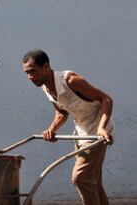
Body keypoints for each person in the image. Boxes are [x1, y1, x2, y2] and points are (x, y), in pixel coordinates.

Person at [22, 49, 113, 205]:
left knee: (81, 178)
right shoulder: (46, 87)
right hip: (81, 133)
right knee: (93, 182)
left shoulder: (70, 81)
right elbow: (61, 112)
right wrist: (52, 129)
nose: (30, 77)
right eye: (26, 73)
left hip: (97, 133)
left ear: (45, 67)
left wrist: (102, 128)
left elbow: (106, 99)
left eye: (32, 71)